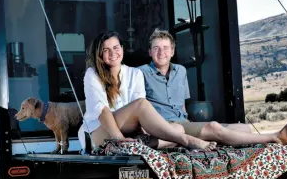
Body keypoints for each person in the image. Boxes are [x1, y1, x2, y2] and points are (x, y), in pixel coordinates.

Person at [138, 28, 287, 146]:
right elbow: (138, 106)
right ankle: (277, 137)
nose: (161, 52)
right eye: (156, 48)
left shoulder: (180, 71)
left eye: (165, 48)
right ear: (150, 52)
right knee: (213, 127)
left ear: (172, 51)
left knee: (244, 128)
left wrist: (190, 123)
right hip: (166, 127)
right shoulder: (141, 73)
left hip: (183, 123)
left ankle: (210, 137)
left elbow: (182, 104)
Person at [77, 30, 217, 152]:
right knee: (141, 105)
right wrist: (119, 139)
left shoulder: (134, 73)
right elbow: (101, 111)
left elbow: (138, 115)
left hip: (126, 130)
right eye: (106, 50)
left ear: (122, 48)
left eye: (116, 47)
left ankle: (149, 143)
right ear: (99, 54)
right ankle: (186, 140)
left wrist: (143, 133)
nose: (113, 53)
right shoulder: (92, 74)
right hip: (98, 132)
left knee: (177, 128)